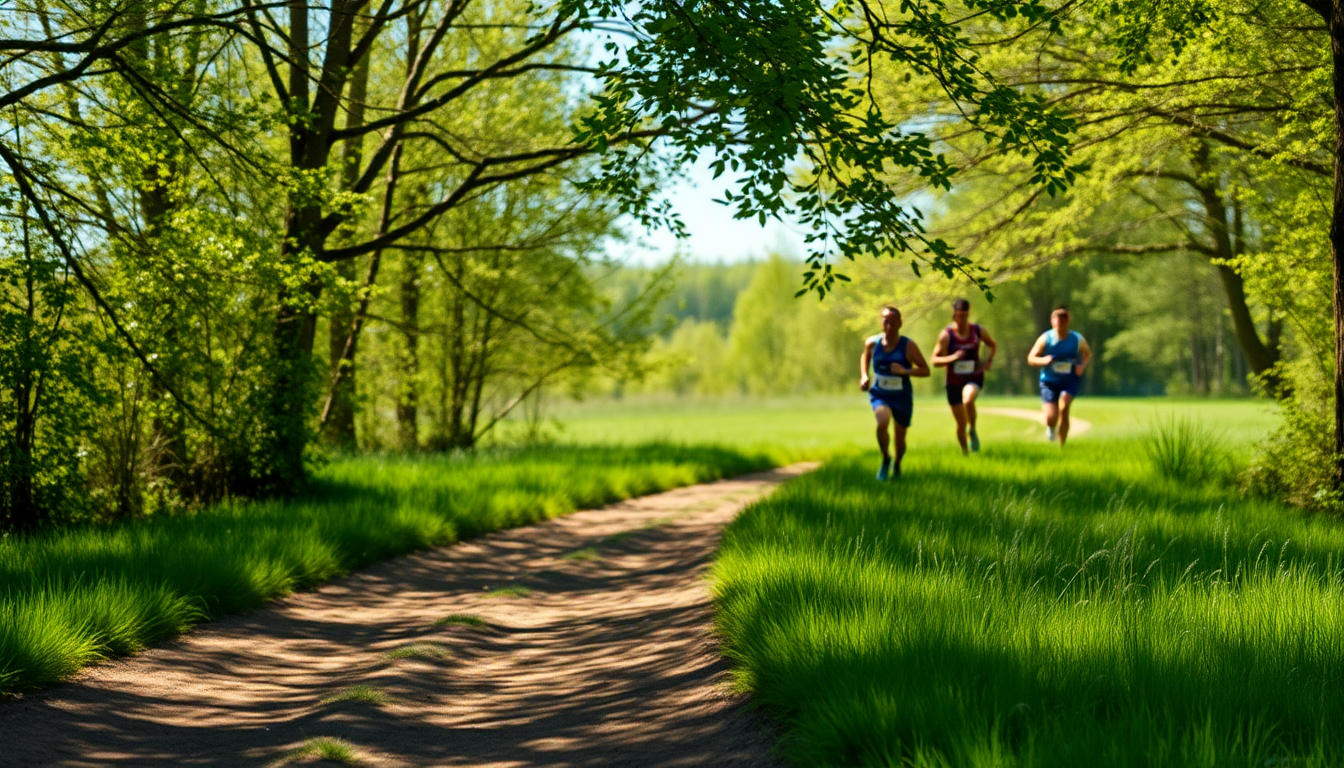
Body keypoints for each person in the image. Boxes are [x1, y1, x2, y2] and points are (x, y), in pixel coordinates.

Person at [860, 306, 930, 480]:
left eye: (891, 320)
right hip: (880, 393)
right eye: (884, 319)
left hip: (902, 396)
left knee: (900, 437)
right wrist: (864, 375)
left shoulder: (908, 346)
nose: (887, 322)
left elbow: (925, 370)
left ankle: (897, 464)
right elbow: (865, 356)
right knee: (882, 421)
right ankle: (885, 458)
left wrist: (905, 372)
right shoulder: (872, 342)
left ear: (900, 323)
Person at [930, 298, 997, 454]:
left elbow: (992, 344)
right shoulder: (946, 335)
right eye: (959, 316)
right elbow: (934, 360)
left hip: (974, 376)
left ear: (968, 315)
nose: (961, 319)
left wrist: (988, 361)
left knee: (968, 400)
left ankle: (972, 430)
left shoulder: (978, 331)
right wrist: (952, 358)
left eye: (965, 316)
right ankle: (965, 453)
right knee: (960, 424)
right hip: (953, 381)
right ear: (954, 316)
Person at [1027, 306, 1092, 446]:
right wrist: (1043, 360)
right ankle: (1051, 427)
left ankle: (1062, 445)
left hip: (1069, 379)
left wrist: (1082, 366)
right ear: (1052, 321)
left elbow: (1087, 353)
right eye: (1058, 320)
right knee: (1051, 418)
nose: (1061, 324)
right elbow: (1031, 358)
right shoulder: (1046, 338)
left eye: (1064, 320)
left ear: (1068, 321)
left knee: (1064, 407)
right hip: (1049, 381)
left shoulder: (1077, 338)